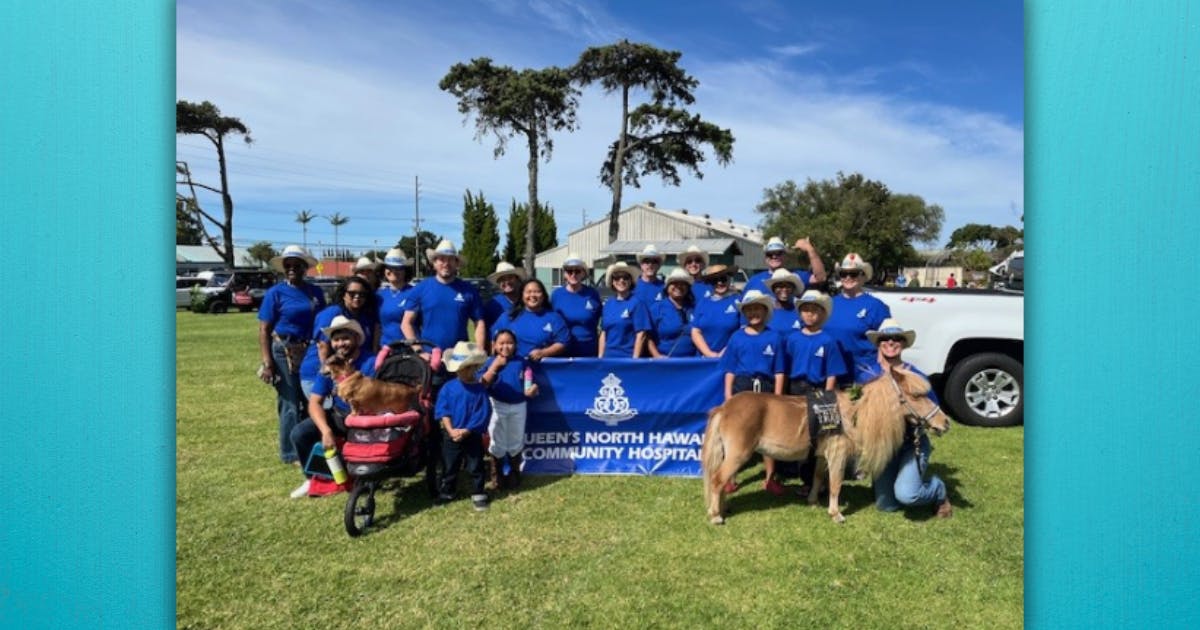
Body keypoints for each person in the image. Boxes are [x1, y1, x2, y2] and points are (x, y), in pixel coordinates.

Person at [859, 318, 953, 518]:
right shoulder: (867, 374)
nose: (891, 342)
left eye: (896, 338)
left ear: (903, 343)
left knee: (907, 496)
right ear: (878, 343)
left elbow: (931, 409)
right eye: (885, 338)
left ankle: (938, 490)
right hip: (882, 446)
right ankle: (883, 475)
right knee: (887, 506)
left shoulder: (914, 375)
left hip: (910, 444)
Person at [288, 315, 374, 498]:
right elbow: (314, 402)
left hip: (367, 418)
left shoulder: (371, 363)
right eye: (336, 339)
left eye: (345, 338)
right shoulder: (330, 366)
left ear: (356, 339)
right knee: (299, 433)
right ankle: (312, 479)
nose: (340, 344)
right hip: (339, 415)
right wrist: (326, 430)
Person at [257, 245, 326, 466]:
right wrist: (268, 362)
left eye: (297, 265)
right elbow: (264, 329)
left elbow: (322, 321)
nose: (292, 269)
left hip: (310, 350)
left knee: (311, 397)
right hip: (283, 349)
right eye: (288, 266)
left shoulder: (315, 292)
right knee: (289, 401)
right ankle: (290, 452)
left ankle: (310, 443)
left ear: (305, 268)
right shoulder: (275, 293)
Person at [718, 290, 786, 495]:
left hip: (765, 388)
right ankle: (730, 477)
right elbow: (729, 369)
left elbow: (779, 370)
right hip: (743, 387)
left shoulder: (774, 337)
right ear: (744, 312)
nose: (754, 313)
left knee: (769, 435)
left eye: (758, 308)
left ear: (765, 311)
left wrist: (778, 397)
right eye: (749, 309)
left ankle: (769, 478)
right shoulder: (737, 337)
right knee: (737, 436)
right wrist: (729, 396)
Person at [785, 290, 848, 495]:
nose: (810, 315)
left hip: (819, 390)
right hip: (795, 389)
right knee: (796, 433)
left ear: (822, 314)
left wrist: (827, 397)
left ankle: (817, 482)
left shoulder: (828, 341)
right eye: (806, 310)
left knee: (817, 438)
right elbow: (785, 368)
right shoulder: (792, 339)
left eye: (815, 311)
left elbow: (832, 372)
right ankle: (798, 476)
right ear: (800, 313)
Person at [401, 239, 486, 361]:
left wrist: (479, 352)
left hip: (460, 358)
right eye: (441, 259)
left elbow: (479, 323)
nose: (446, 263)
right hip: (430, 358)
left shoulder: (469, 290)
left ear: (456, 263)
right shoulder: (421, 288)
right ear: (434, 263)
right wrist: (419, 351)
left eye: (450, 259)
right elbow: (406, 323)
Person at [299, 276, 378, 403]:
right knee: (330, 411)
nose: (357, 297)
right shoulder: (333, 312)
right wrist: (329, 377)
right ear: (343, 295)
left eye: (362, 294)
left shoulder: (362, 316)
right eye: (352, 293)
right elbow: (322, 346)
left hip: (344, 375)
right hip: (318, 373)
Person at [434, 342, 493, 511]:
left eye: (467, 368)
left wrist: (467, 430)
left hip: (471, 434)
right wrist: (451, 430)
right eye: (460, 368)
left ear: (474, 367)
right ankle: (447, 490)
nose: (463, 371)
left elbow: (482, 413)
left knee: (476, 464)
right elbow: (443, 410)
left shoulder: (480, 390)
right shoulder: (448, 388)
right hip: (451, 434)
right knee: (449, 464)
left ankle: (478, 492)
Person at [479, 329, 538, 491]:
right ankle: (496, 474)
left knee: (516, 438)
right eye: (502, 343)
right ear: (494, 345)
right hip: (497, 404)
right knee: (497, 438)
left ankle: (514, 473)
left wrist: (531, 389)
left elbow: (528, 380)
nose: (506, 347)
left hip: (519, 405)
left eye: (510, 343)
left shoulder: (521, 362)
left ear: (516, 345)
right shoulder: (489, 361)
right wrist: (495, 367)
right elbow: (482, 383)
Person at [823, 253, 891, 386]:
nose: (848, 277)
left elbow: (886, 342)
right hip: (829, 376)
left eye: (853, 274)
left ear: (863, 276)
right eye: (843, 274)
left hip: (862, 376)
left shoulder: (876, 306)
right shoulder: (829, 303)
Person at [492, 278, 569, 361]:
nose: (532, 295)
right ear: (522, 295)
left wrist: (544, 352)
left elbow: (563, 342)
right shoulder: (508, 316)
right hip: (513, 368)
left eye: (537, 292)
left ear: (543, 295)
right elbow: (494, 341)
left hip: (544, 370)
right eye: (528, 292)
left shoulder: (554, 317)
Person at [550, 253, 602, 357]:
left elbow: (598, 319)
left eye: (577, 271)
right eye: (569, 271)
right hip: (563, 350)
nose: (573, 275)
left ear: (583, 273)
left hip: (589, 350)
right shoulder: (556, 295)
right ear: (565, 274)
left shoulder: (592, 294)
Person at [598, 262, 652, 358]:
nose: (621, 280)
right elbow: (604, 332)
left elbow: (641, 334)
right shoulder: (608, 304)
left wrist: (634, 360)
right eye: (617, 278)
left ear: (631, 281)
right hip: (608, 358)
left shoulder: (637, 303)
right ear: (612, 281)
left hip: (627, 358)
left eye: (625, 277)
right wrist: (600, 357)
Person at [744, 236, 827, 295]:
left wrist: (810, 249)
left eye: (778, 253)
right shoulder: (754, 280)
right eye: (770, 254)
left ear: (785, 256)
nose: (774, 256)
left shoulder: (796, 276)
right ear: (766, 257)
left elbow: (821, 277)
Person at [691, 263, 742, 358]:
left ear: (729, 279)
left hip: (730, 358)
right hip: (703, 359)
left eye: (723, 279)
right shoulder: (703, 303)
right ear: (710, 282)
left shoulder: (739, 301)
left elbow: (743, 331)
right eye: (715, 280)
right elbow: (695, 331)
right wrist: (709, 354)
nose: (719, 283)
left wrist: (725, 352)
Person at [647, 268, 697, 358]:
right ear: (667, 287)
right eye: (674, 283)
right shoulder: (657, 308)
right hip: (666, 362)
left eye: (683, 284)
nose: (678, 286)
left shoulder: (693, 308)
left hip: (692, 361)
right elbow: (647, 336)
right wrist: (656, 355)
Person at [376, 247, 413, 347]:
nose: (393, 271)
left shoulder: (414, 293)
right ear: (384, 270)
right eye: (389, 267)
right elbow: (377, 326)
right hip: (385, 349)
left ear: (405, 271)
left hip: (409, 349)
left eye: (398, 268)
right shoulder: (379, 295)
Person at [483, 261, 526, 333]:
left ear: (518, 279)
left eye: (510, 278)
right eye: (502, 279)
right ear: (498, 284)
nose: (507, 282)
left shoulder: (527, 301)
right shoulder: (492, 305)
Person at [762, 268, 804, 338]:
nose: (784, 290)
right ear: (773, 289)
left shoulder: (801, 311)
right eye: (780, 286)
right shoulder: (765, 312)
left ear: (793, 289)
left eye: (788, 286)